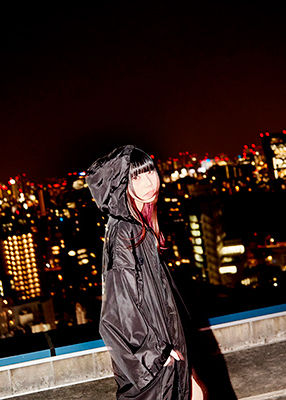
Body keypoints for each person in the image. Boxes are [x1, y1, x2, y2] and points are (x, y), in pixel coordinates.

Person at [86, 145, 204, 399]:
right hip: (154, 367)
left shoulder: (140, 227)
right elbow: (118, 313)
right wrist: (157, 356)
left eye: (150, 171)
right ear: (122, 185)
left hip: (165, 355)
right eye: (136, 176)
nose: (149, 182)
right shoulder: (125, 232)